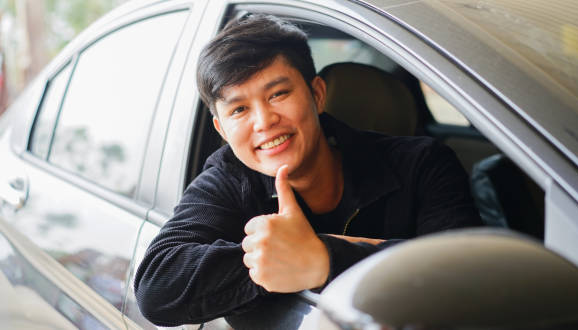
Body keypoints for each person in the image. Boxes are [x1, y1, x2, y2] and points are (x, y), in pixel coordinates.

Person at [134, 14, 482, 326]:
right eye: (239, 110)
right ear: (222, 130)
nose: (264, 121)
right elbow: (156, 287)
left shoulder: (422, 163)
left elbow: (468, 277)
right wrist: (277, 261)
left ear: (316, 94)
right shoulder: (228, 179)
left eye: (278, 94)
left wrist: (322, 257)